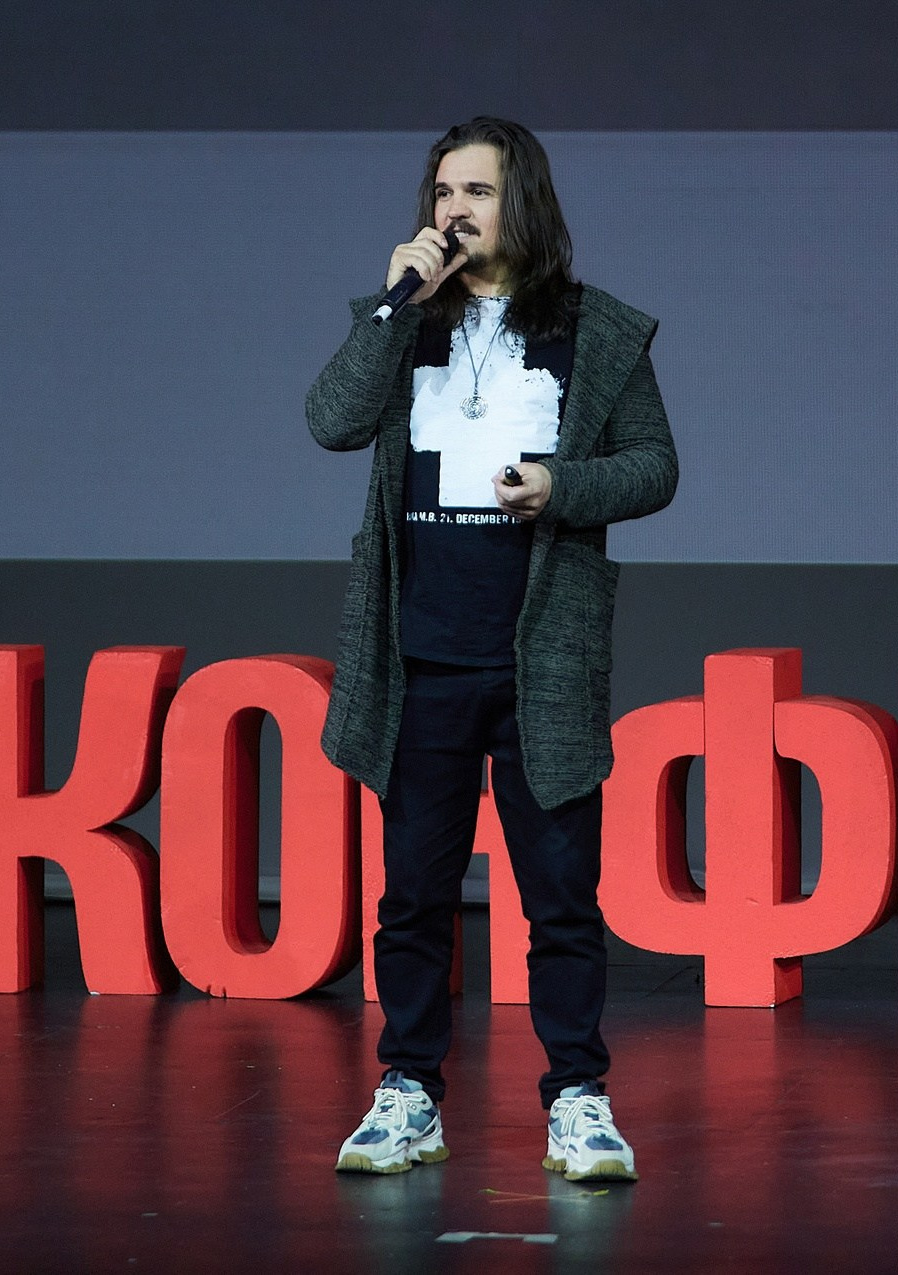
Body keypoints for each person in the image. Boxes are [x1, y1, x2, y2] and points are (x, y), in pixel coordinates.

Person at [307, 116, 678, 1182]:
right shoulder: (400, 324)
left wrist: (565, 486)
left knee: (561, 895)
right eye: (440, 194)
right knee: (413, 893)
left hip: (542, 659)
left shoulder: (597, 331)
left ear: (525, 204)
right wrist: (391, 307)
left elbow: (655, 466)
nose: (453, 211)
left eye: (475, 191)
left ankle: (578, 1098)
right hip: (418, 655)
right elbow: (329, 422)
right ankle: (409, 1093)